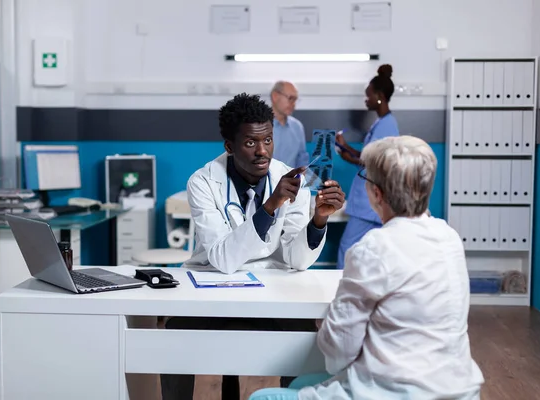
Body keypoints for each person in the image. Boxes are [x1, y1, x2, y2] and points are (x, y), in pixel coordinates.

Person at [249, 135, 484, 400]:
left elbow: (337, 356)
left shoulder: (374, 248)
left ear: (377, 193)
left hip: (395, 393)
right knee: (300, 383)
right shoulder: (449, 237)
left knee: (262, 397)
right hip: (457, 389)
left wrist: (327, 325)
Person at [161, 93, 346, 400]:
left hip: (268, 284)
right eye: (250, 143)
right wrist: (270, 206)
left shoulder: (291, 180)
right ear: (230, 147)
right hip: (212, 283)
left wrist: (318, 221)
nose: (263, 152)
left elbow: (296, 259)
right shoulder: (204, 181)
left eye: (268, 140)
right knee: (177, 335)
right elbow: (222, 257)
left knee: (303, 334)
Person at [335, 64, 400, 269]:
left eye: (368, 96)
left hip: (368, 205)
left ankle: (337, 292)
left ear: (379, 96)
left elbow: (374, 162)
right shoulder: (380, 124)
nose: (366, 100)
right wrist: (345, 147)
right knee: (368, 253)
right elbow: (368, 154)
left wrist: (348, 158)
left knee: (347, 250)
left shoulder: (387, 125)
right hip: (369, 202)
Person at [270, 81, 310, 168]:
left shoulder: (297, 127)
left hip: (292, 180)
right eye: (291, 98)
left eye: (295, 100)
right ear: (275, 96)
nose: (294, 104)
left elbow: (302, 161)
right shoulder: (259, 126)